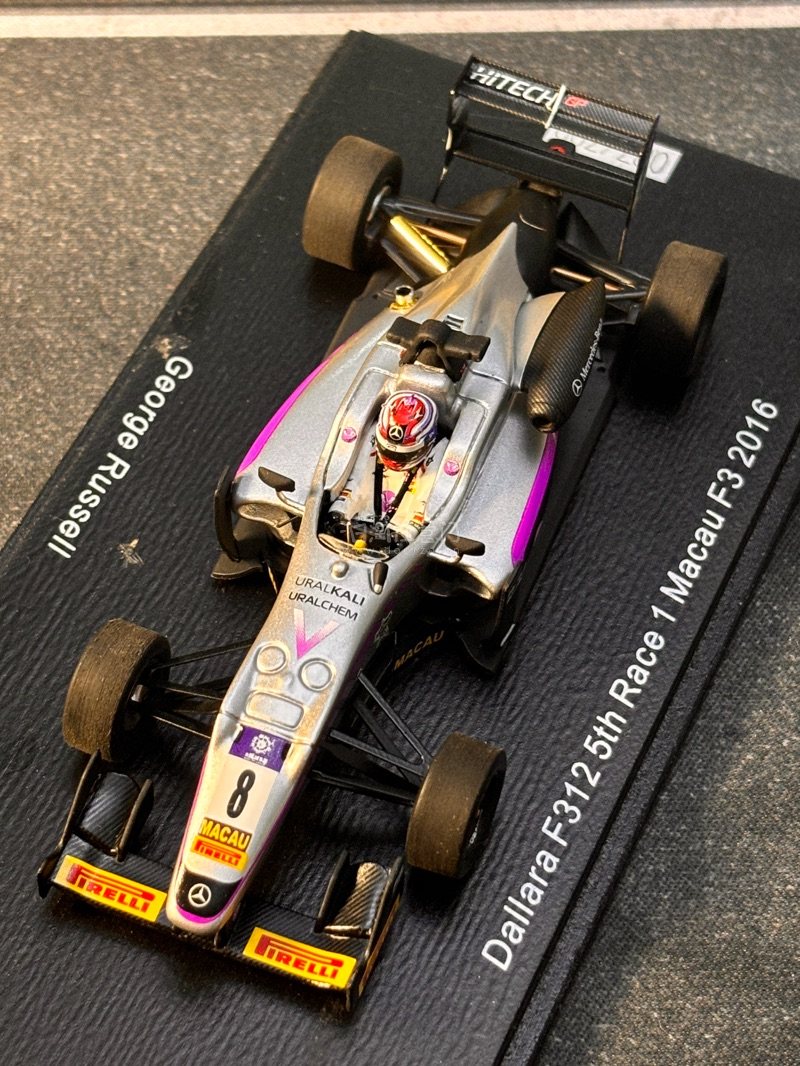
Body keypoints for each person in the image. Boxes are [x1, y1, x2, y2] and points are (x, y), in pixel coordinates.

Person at [327, 391, 448, 554]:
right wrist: (339, 511)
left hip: (399, 534)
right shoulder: (372, 437)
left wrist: (407, 534)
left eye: (403, 455)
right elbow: (357, 480)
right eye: (387, 450)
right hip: (358, 520)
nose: (393, 459)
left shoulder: (439, 451)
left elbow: (422, 504)